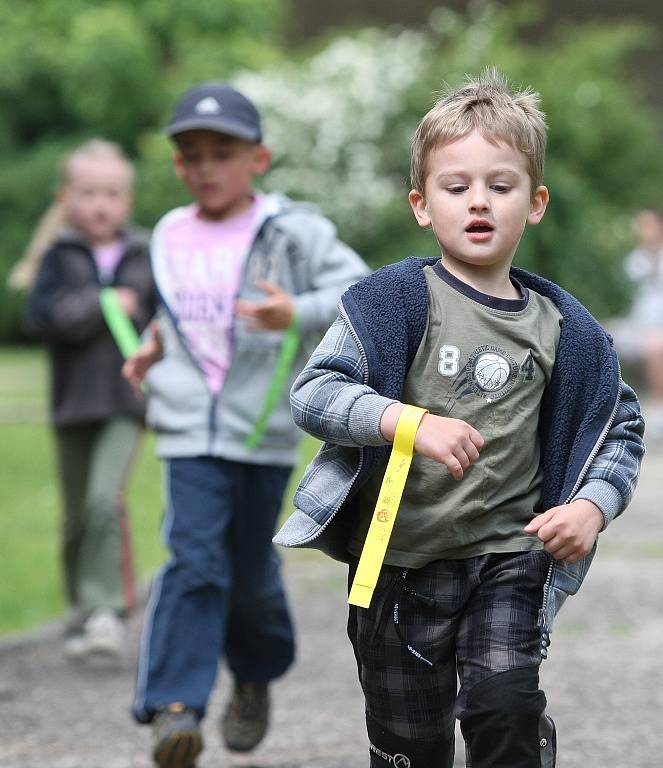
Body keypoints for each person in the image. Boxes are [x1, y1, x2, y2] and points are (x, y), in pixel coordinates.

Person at [276, 69, 645, 767]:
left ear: (533, 203)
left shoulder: (565, 328)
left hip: (508, 557)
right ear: (421, 204)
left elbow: (618, 431)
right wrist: (401, 422)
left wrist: (592, 507)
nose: (479, 203)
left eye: (500, 187)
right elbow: (314, 394)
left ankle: (514, 731)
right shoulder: (390, 304)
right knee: (408, 749)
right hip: (398, 567)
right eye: (456, 187)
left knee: (500, 702)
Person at [123, 82, 369, 767]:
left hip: (261, 430)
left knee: (252, 572)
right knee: (193, 558)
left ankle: (255, 674)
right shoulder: (169, 232)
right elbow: (183, 316)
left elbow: (360, 292)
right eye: (191, 155)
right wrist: (152, 343)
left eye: (221, 153)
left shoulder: (294, 230)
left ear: (256, 159)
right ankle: (176, 708)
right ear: (177, 165)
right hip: (185, 428)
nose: (205, 167)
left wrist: (295, 311)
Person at [24, 140, 155, 659]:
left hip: (126, 402)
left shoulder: (146, 252)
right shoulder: (58, 256)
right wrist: (101, 303)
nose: (101, 204)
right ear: (66, 198)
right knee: (76, 516)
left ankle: (108, 611)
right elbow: (40, 320)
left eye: (113, 193)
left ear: (128, 200)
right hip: (72, 404)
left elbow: (162, 319)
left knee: (105, 502)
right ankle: (81, 608)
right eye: (88, 193)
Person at [610, 208, 663, 400]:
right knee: (601, 334)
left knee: (656, 346)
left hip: (658, 329)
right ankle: (614, 400)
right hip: (638, 324)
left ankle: (659, 405)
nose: (643, 230)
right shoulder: (635, 259)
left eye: (648, 225)